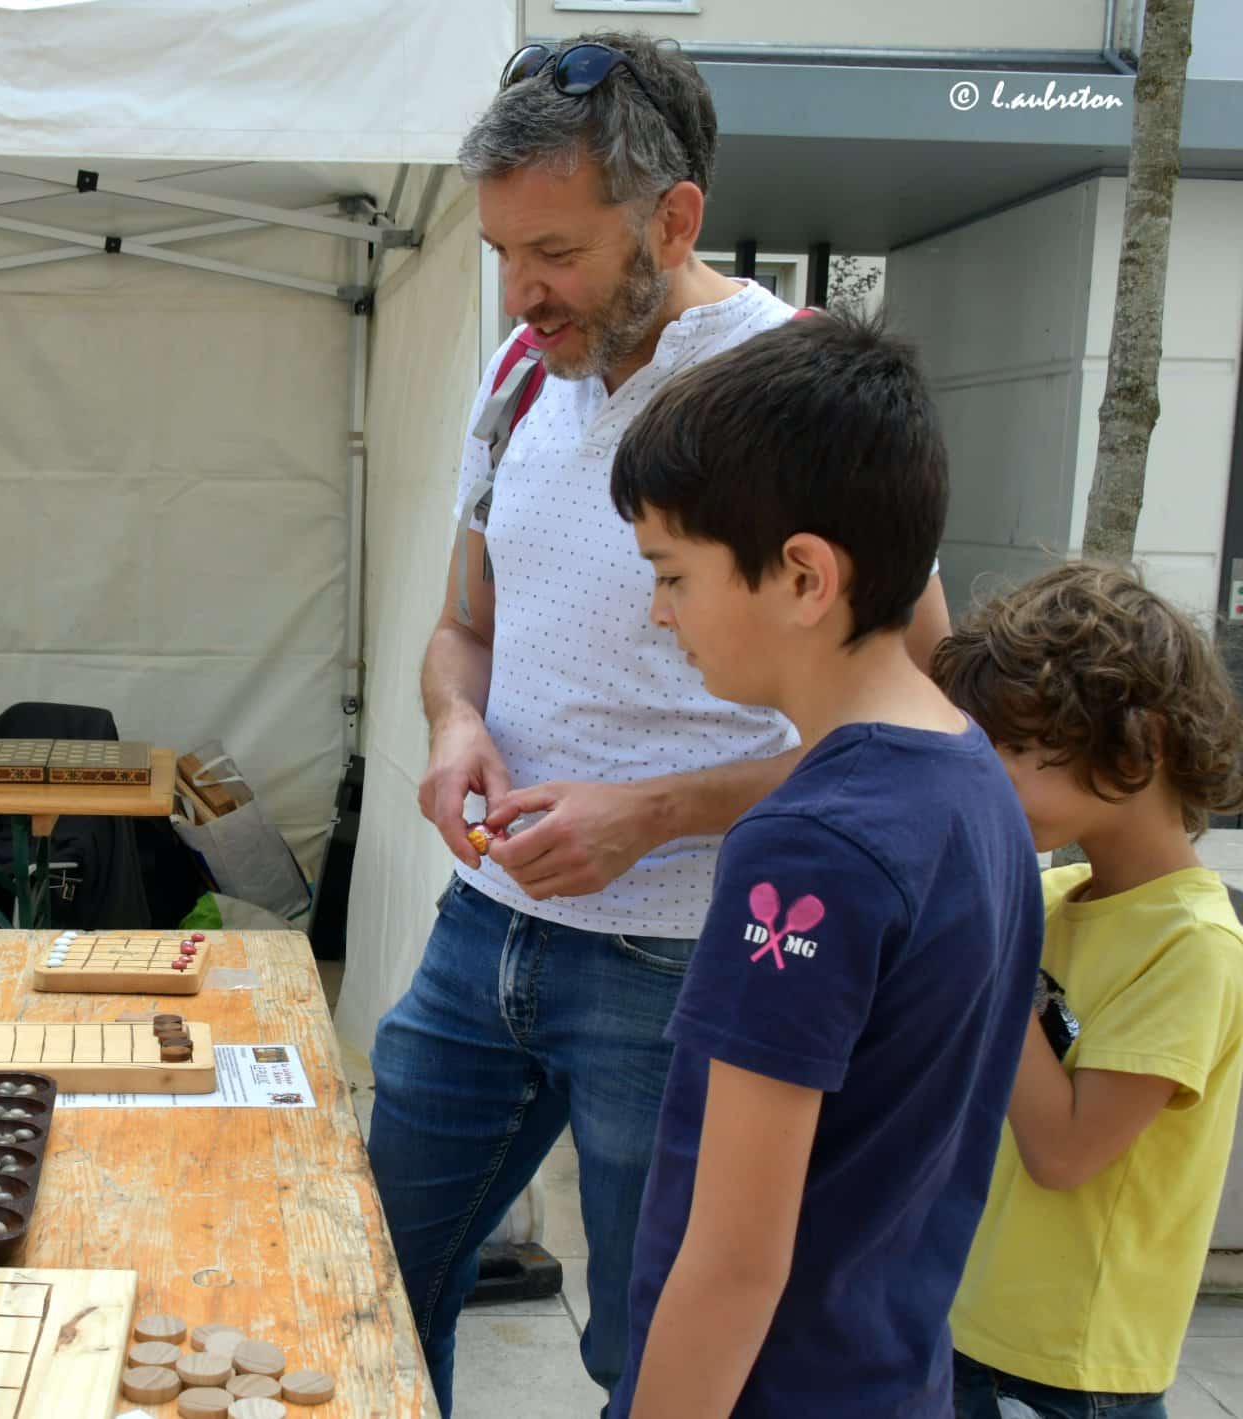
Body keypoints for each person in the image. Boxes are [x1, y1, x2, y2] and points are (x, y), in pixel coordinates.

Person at [367, 32, 954, 1411]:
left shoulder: (798, 388)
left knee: (656, 1350)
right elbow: (461, 631)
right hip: (485, 925)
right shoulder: (516, 376)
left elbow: (919, 720)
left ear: (674, 218)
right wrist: (455, 730)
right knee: (371, 1277)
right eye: (501, 252)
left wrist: (659, 811)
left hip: (687, 956)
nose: (521, 293)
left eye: (554, 252)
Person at [606, 311, 1042, 1418]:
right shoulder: (970, 773)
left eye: (672, 574)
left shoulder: (807, 848)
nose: (658, 613)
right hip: (892, 1375)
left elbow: (734, 1260)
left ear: (803, 576)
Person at [934, 564, 1243, 1419]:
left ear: (1140, 745)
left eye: (1017, 747)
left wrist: (990, 935)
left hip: (1071, 1371)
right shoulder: (1051, 897)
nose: (990, 775)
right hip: (968, 1327)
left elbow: (1065, 1152)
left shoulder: (1194, 944)